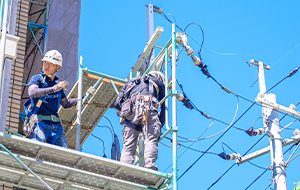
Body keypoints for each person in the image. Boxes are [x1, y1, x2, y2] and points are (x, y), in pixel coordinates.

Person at [23, 49, 78, 148]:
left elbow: (66, 103)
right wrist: (54, 88)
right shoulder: (37, 79)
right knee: (38, 149)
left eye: (51, 64)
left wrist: (83, 98)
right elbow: (32, 92)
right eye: (45, 62)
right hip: (39, 123)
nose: (46, 66)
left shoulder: (58, 85)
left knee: (65, 156)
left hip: (56, 127)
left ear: (58, 67)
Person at [112, 71, 165, 171]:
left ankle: (124, 168)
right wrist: (158, 128)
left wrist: (127, 113)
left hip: (130, 113)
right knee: (150, 139)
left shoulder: (131, 83)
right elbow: (164, 111)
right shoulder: (158, 83)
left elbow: (117, 103)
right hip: (147, 109)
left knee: (128, 145)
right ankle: (149, 166)